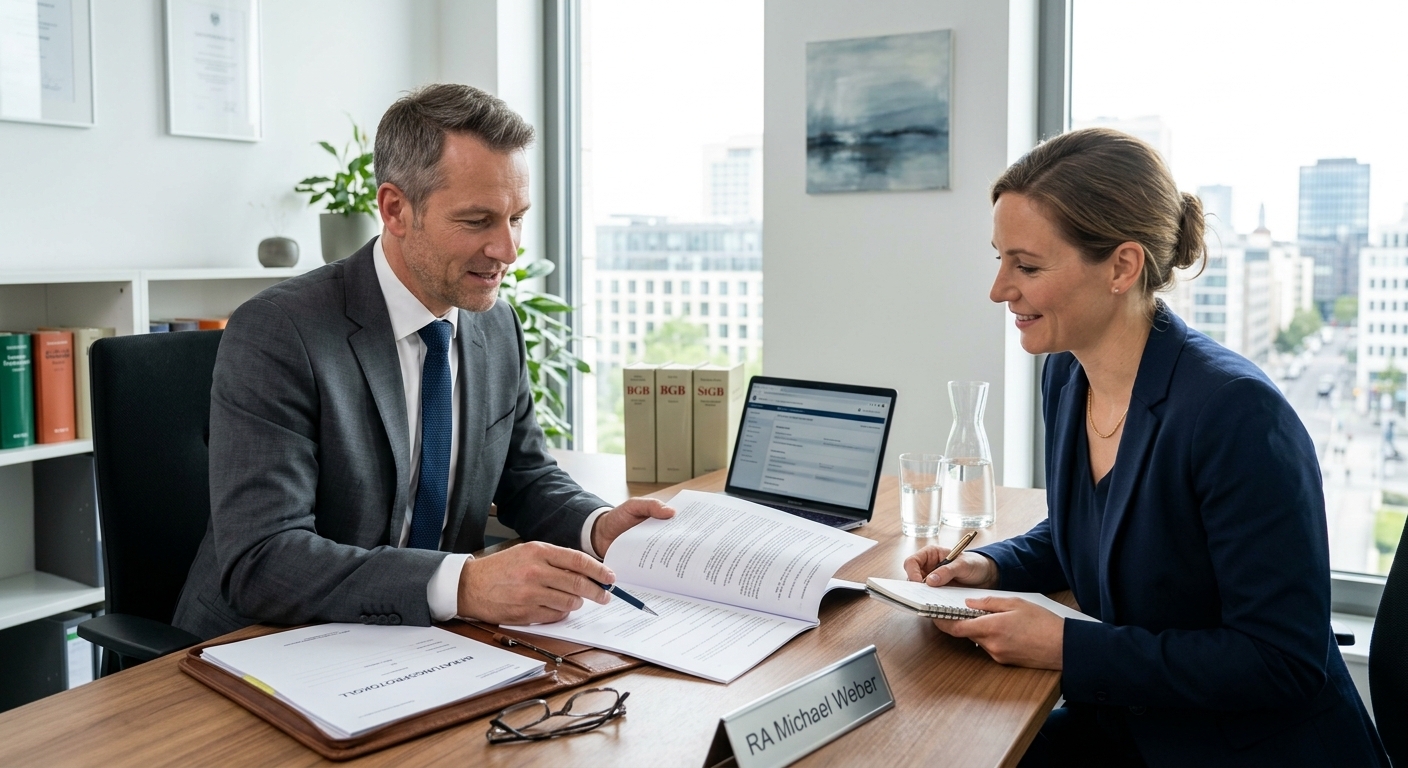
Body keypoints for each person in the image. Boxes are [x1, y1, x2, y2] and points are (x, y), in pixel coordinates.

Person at [903, 128, 1386, 767]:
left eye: (1027, 265)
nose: (999, 289)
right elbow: (1099, 528)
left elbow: (1281, 660)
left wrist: (1068, 648)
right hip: (1131, 720)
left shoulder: (1235, 414)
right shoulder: (1068, 373)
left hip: (1238, 747)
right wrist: (992, 566)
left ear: (1123, 267)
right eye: (999, 259)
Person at [174, 84, 673, 640]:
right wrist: (465, 585)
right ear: (395, 209)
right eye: (478, 220)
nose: (507, 251)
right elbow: (263, 560)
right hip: (268, 643)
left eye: (516, 219)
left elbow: (525, 474)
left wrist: (598, 526)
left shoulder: (495, 323)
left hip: (426, 642)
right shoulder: (281, 331)